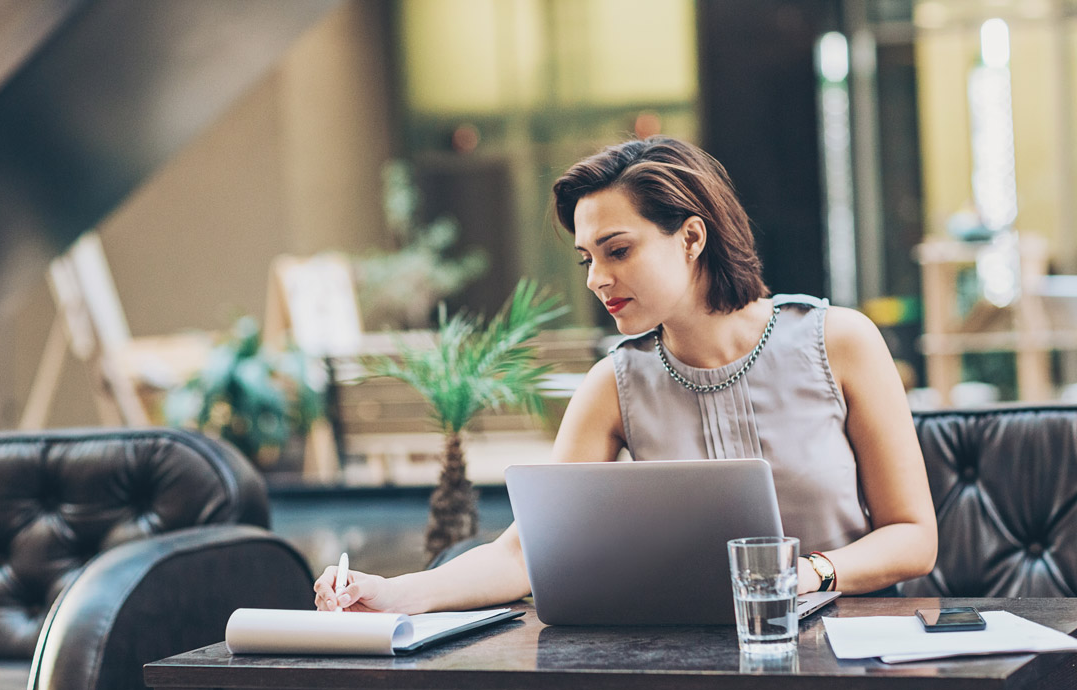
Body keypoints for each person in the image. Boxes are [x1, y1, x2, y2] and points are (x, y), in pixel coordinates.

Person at [315, 136, 937, 614]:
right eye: (588, 258)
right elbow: (528, 551)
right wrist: (397, 595)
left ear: (691, 237)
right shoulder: (613, 384)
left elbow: (913, 536)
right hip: (701, 670)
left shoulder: (840, 340)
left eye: (618, 250)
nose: (595, 279)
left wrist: (806, 576)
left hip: (856, 647)